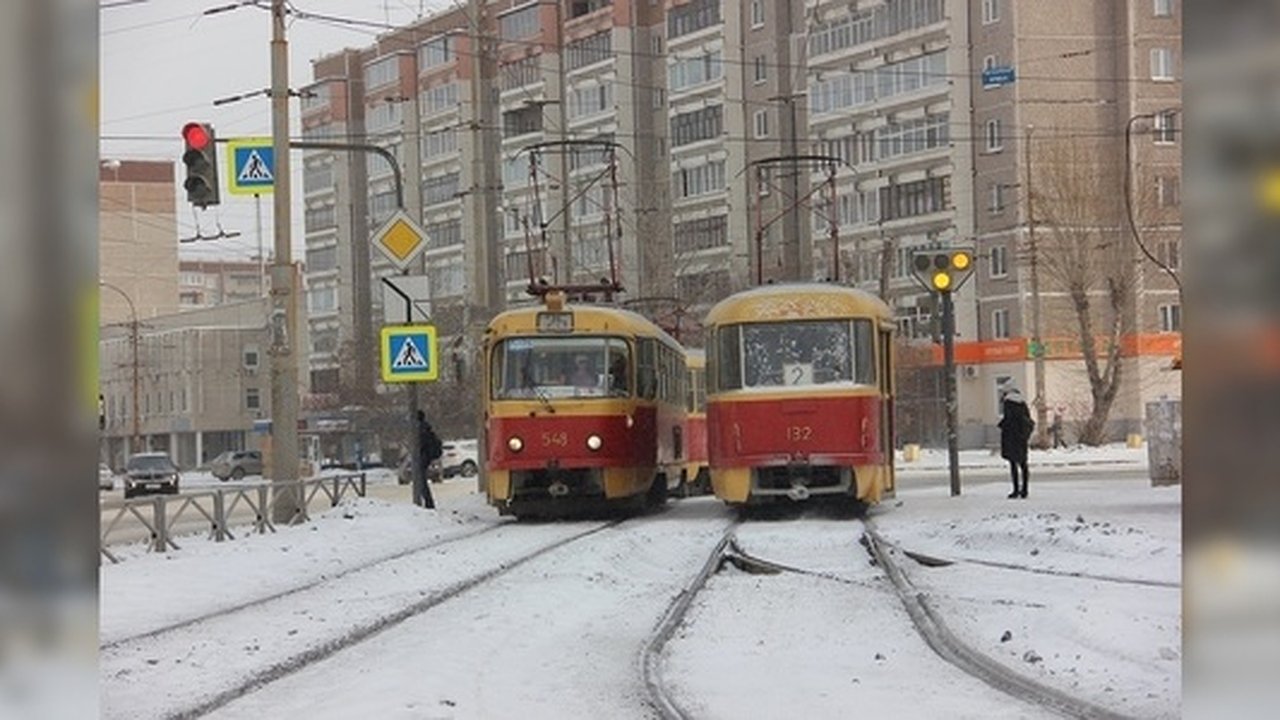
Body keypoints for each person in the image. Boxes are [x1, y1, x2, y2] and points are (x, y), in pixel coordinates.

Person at [998, 388, 1035, 499]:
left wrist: (1002, 426)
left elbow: (1008, 421)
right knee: (1023, 464)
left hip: (1011, 439)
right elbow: (1028, 420)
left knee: (1013, 465)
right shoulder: (1022, 404)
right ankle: (1024, 490)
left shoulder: (1008, 405)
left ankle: (1015, 490)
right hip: (1021, 439)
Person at [415, 410, 442, 508]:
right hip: (426, 456)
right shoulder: (425, 427)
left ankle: (428, 503)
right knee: (421, 480)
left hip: (424, 456)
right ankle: (428, 502)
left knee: (421, 480)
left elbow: (422, 443)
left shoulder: (421, 429)